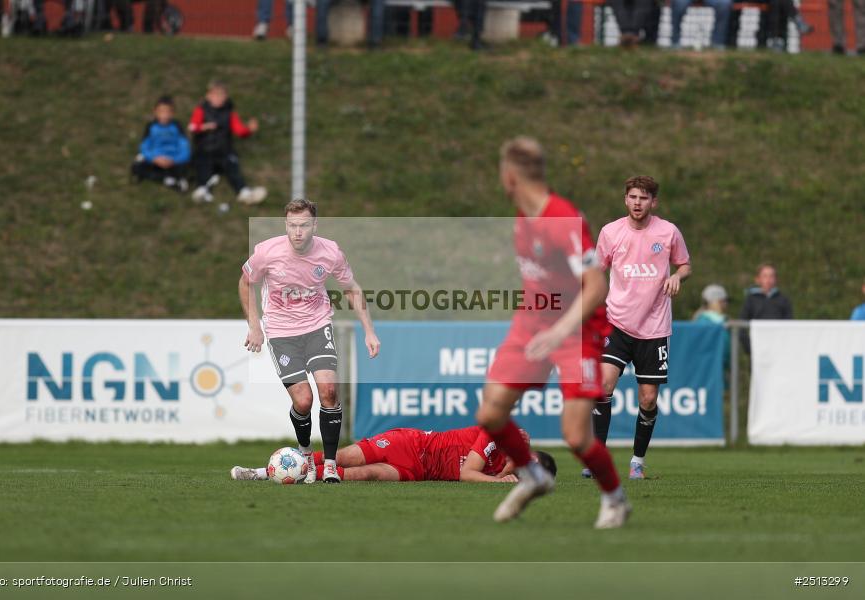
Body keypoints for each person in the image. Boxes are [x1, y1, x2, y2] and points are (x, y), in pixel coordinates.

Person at [474, 137, 629, 529]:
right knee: (491, 412)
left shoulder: (563, 219)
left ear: (509, 177)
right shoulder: (522, 217)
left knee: (576, 436)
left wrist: (560, 329)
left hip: (576, 330)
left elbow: (597, 285)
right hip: (532, 324)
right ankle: (534, 476)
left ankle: (615, 499)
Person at [239, 198, 381, 483]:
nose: (298, 232)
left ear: (315, 225)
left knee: (329, 391)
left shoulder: (330, 252)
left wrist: (369, 330)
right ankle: (305, 454)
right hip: (281, 333)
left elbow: (351, 289)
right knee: (303, 401)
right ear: (286, 225)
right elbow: (245, 282)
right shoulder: (267, 251)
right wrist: (255, 325)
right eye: (292, 226)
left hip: (317, 326)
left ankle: (329, 465)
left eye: (304, 225)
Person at [592, 175, 692, 480]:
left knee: (648, 399)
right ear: (626, 200)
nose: (638, 203)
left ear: (653, 202)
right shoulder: (610, 232)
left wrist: (678, 276)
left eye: (644, 198)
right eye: (633, 197)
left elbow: (684, 264)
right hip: (617, 323)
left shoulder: (668, 231)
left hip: (654, 327)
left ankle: (637, 461)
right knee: (603, 386)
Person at [231, 426, 558, 483]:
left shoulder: (505, 467)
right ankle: (262, 471)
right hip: (412, 444)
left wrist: (504, 474)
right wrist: (500, 480)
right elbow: (466, 473)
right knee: (345, 458)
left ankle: (298, 478)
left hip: (421, 471)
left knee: (366, 475)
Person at [188, 81, 267, 205]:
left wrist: (249, 130)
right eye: (215, 95)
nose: (219, 98)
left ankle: (243, 192)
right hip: (204, 149)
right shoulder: (201, 110)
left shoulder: (230, 113)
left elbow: (239, 131)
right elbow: (192, 127)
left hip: (224, 150)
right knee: (203, 164)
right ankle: (202, 189)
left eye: (222, 95)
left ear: (226, 97)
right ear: (208, 96)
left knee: (232, 166)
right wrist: (204, 127)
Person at [130, 95, 191, 192]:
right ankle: (167, 179)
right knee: (137, 166)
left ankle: (171, 178)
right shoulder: (151, 126)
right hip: (156, 159)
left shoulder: (177, 126)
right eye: (161, 112)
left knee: (186, 167)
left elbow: (184, 147)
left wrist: (174, 160)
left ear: (172, 113)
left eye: (168, 112)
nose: (164, 115)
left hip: (172, 160)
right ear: (155, 112)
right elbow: (144, 147)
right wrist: (154, 158)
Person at [739, 262, 792, 353]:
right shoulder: (751, 299)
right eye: (765, 276)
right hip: (757, 348)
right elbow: (742, 325)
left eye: (771, 276)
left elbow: (789, 325)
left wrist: (784, 346)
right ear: (758, 279)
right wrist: (749, 348)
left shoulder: (783, 300)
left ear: (775, 279)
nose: (768, 279)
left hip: (778, 349)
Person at [693, 284, 730, 371]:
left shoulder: (723, 319)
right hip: (709, 368)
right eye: (723, 301)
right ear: (716, 302)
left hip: (722, 366)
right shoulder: (703, 321)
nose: (726, 304)